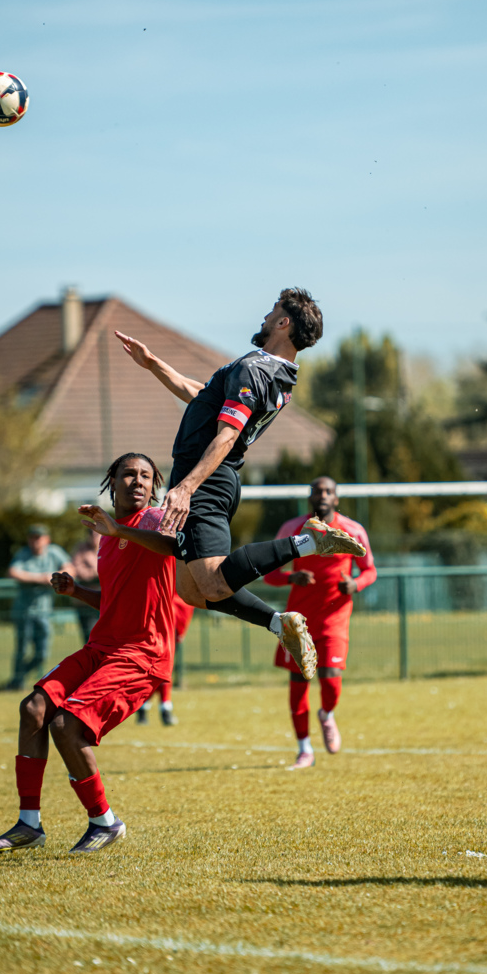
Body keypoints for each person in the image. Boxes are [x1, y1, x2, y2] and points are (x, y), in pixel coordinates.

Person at [114, 289, 365, 682]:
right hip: (213, 477)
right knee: (193, 590)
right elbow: (202, 398)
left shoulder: (256, 369)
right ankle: (281, 623)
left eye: (272, 313)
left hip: (207, 478)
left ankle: (309, 542)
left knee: (212, 581)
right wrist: (154, 366)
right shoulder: (276, 373)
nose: (264, 318)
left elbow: (227, 434)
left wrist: (186, 487)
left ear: (283, 324)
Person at [0, 453, 180, 855]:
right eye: (128, 474)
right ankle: (29, 824)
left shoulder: (158, 521)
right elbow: (114, 601)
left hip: (143, 654)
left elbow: (174, 545)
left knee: (66, 727)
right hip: (102, 646)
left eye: (146, 475)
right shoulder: (108, 537)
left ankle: (104, 822)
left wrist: (112, 528)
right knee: (34, 709)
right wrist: (76, 592)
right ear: (112, 480)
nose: (137, 482)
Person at [264, 477, 376, 769]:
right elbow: (270, 574)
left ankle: (326, 714)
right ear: (310, 497)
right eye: (317, 491)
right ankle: (304, 749)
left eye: (328, 491)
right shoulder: (292, 529)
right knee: (299, 682)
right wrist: (292, 577)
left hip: (335, 618)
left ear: (336, 498)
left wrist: (355, 584)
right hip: (299, 620)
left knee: (330, 679)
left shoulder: (352, 530)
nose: (322, 496)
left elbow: (370, 570)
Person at [6, 524, 74, 690]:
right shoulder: (23, 554)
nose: (35, 541)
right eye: (32, 538)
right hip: (24, 611)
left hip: (44, 611)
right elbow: (13, 572)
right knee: (21, 648)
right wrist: (40, 578)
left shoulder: (54, 552)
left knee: (42, 652)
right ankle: (16, 681)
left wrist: (57, 576)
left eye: (39, 538)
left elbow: (70, 568)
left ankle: (22, 674)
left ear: (46, 539)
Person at [137, 595, 194, 726]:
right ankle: (163, 710)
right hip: (164, 622)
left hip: (165, 620)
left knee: (158, 672)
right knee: (161, 672)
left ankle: (145, 708)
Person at [71, 526, 101, 643]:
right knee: (90, 638)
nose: (94, 536)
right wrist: (100, 572)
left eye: (96, 533)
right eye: (91, 533)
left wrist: (93, 571)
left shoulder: (108, 546)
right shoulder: (80, 549)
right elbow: (79, 571)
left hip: (106, 601)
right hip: (86, 601)